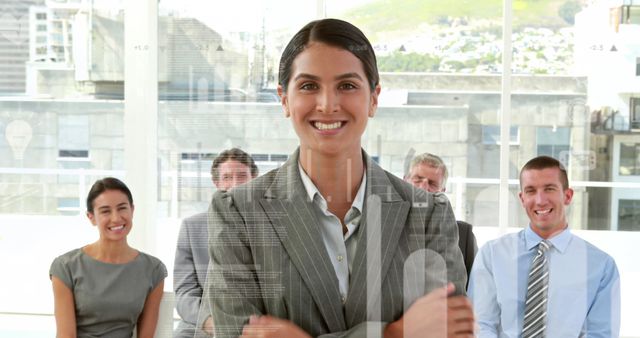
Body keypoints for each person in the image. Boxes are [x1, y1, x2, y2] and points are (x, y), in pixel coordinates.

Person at [207, 18, 473, 338]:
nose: (328, 104)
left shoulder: (428, 214)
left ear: (373, 98)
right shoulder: (238, 212)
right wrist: (396, 333)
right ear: (284, 98)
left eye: (347, 85)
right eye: (308, 86)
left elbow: (447, 332)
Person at [468, 156, 621, 337]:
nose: (540, 200)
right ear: (522, 198)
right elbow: (479, 324)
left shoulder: (600, 266)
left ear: (568, 195)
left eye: (549, 189)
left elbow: (601, 333)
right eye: (531, 191)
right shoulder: (492, 255)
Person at [49, 177, 167, 338]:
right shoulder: (66, 267)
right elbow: (66, 335)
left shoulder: (153, 269)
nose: (116, 218)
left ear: (132, 210)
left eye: (122, 208)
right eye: (105, 211)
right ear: (91, 217)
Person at [174, 148, 258, 338]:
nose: (235, 185)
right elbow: (185, 292)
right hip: (204, 324)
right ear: (216, 182)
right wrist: (211, 322)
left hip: (253, 324)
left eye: (242, 176)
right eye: (227, 177)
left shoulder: (271, 226)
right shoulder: (192, 227)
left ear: (255, 179)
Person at [404, 152, 478, 285]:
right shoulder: (387, 226)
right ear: (404, 181)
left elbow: (471, 288)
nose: (424, 188)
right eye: (418, 179)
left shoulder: (464, 235)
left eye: (432, 183)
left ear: (442, 190)